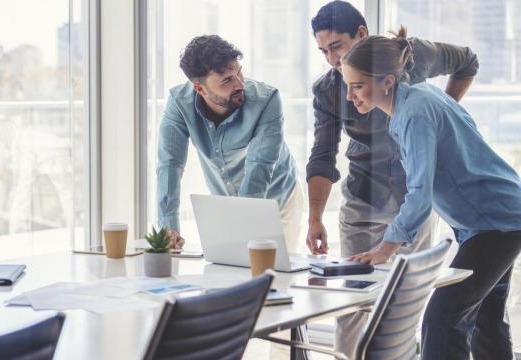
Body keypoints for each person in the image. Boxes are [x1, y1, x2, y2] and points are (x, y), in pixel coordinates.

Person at [306, 1, 478, 355]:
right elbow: (323, 156)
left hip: (413, 199)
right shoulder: (327, 89)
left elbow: (467, 61)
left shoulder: (411, 57)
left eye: (336, 46)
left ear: (361, 35)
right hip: (361, 199)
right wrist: (314, 218)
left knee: (408, 305)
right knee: (351, 306)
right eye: (323, 51)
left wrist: (445, 109)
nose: (331, 59)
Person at [342, 26, 521, 360]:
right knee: (486, 316)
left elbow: (420, 193)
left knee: (443, 318)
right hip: (495, 218)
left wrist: (386, 248)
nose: (351, 96)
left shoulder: (414, 113)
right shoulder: (420, 97)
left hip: (496, 223)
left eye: (358, 86)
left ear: (387, 82)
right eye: (348, 86)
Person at [157, 35, 303, 252]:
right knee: (227, 276)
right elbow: (170, 165)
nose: (240, 84)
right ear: (199, 89)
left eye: (239, 72)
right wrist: (169, 229)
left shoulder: (267, 99)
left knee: (271, 275)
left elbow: (259, 166)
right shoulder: (179, 103)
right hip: (226, 203)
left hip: (277, 199)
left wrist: (242, 227)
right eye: (227, 80)